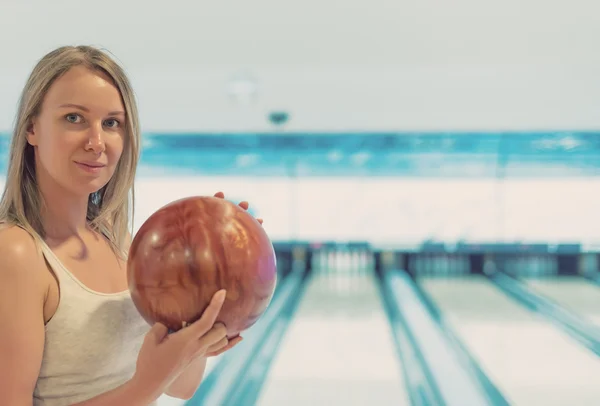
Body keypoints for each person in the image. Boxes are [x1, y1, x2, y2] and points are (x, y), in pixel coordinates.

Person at [0, 45, 251, 405]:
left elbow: (181, 386)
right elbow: (151, 384)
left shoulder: (119, 245)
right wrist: (145, 385)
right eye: (74, 118)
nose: (96, 142)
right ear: (32, 129)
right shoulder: (17, 252)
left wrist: (216, 279)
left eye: (112, 123)